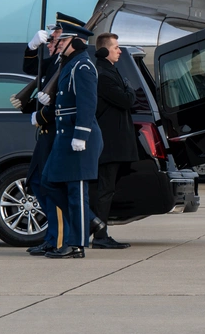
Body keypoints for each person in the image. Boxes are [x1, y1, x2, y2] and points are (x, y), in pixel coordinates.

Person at [41, 20, 105, 258]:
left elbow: (87, 104)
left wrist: (81, 135)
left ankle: (76, 245)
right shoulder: (69, 63)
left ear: (76, 42)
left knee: (76, 193)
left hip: (78, 138)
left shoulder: (83, 66)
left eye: (65, 40)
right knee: (48, 182)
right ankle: (89, 222)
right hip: (63, 136)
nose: (61, 43)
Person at [20, 19, 65, 256]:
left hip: (56, 133)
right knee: (37, 182)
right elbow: (30, 70)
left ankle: (57, 239)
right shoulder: (55, 63)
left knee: (50, 185)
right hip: (46, 135)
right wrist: (31, 47)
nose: (48, 42)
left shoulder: (68, 64)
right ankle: (52, 236)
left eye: (53, 37)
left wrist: (43, 115)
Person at [89, 33, 137, 248]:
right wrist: (128, 88)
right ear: (104, 50)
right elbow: (127, 99)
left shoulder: (109, 71)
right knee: (104, 190)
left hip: (112, 143)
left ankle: (99, 231)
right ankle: (100, 235)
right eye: (116, 47)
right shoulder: (104, 74)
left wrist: (127, 88)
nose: (119, 51)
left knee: (105, 189)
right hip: (109, 144)